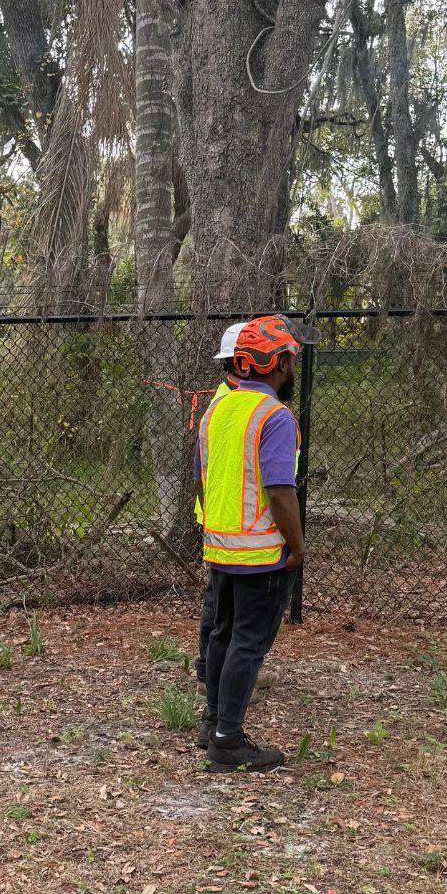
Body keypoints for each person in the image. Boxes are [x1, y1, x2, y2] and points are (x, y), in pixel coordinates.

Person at [195, 313, 310, 773]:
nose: (291, 368)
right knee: (248, 643)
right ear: (279, 362)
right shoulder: (274, 417)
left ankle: (212, 723)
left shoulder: (217, 411)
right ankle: (227, 742)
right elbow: (280, 491)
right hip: (262, 554)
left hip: (221, 546)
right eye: (290, 360)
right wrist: (296, 546)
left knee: (222, 635)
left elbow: (206, 480)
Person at [194, 322, 244, 689]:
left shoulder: (232, 401)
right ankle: (211, 670)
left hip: (225, 513)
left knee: (222, 597)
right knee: (222, 600)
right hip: (225, 515)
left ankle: (213, 669)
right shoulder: (228, 405)